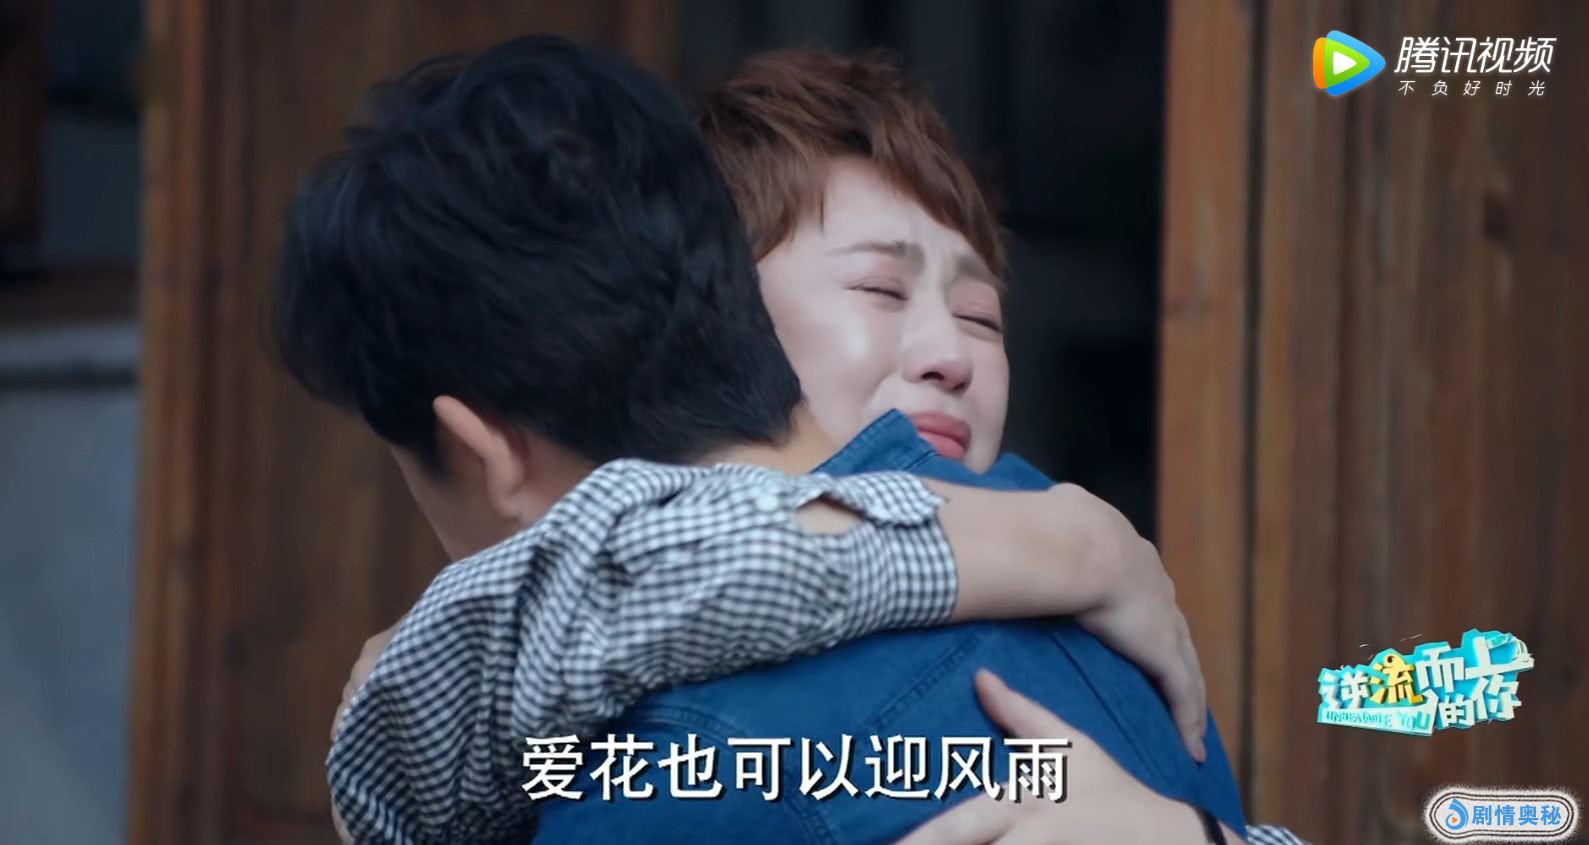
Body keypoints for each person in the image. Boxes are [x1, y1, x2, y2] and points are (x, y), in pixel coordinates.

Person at [280, 35, 1248, 844]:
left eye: (980, 314)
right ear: (727, 292)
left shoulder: (673, 768)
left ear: (484, 452)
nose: (948, 354)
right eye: (878, 287)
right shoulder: (1109, 600)